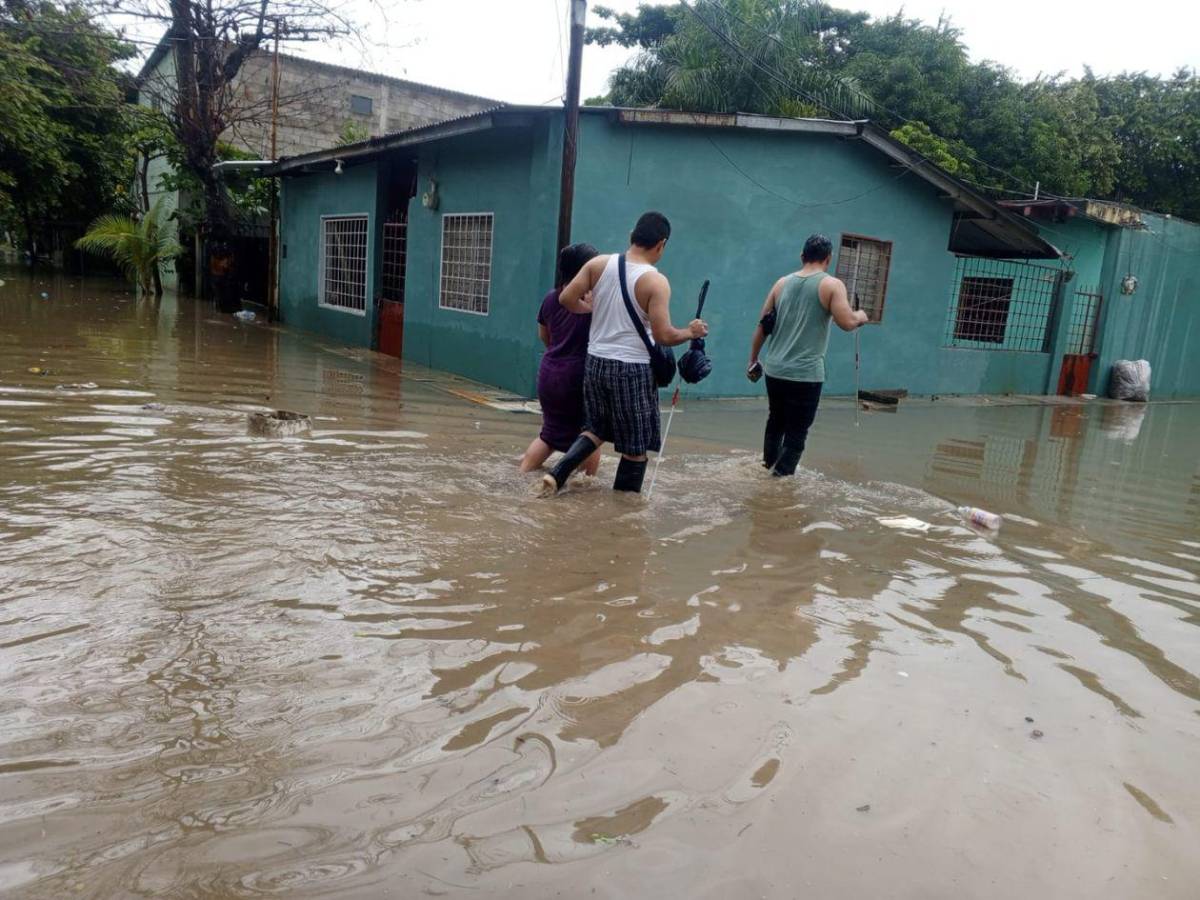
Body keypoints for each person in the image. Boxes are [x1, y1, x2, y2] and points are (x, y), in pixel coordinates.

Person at [541, 211, 708, 495]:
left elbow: (566, 298)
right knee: (635, 448)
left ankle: (557, 474)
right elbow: (664, 335)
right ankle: (622, 509)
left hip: (595, 363)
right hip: (632, 369)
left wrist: (590, 309)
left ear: (632, 235)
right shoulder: (655, 282)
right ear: (661, 244)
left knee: (595, 429)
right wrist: (690, 332)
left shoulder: (597, 264)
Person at [747, 233, 868, 477]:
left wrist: (753, 360)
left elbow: (763, 326)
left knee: (776, 422)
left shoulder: (781, 284)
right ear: (828, 258)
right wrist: (861, 316)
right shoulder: (832, 285)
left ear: (802, 256)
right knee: (797, 432)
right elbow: (847, 322)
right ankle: (779, 482)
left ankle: (768, 469)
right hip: (805, 375)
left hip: (775, 370)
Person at [520, 242, 602, 476]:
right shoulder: (593, 303)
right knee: (592, 434)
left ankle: (523, 474)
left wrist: (560, 354)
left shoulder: (551, 298)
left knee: (549, 434)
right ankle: (586, 485)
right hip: (578, 377)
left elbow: (544, 335)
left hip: (549, 373)